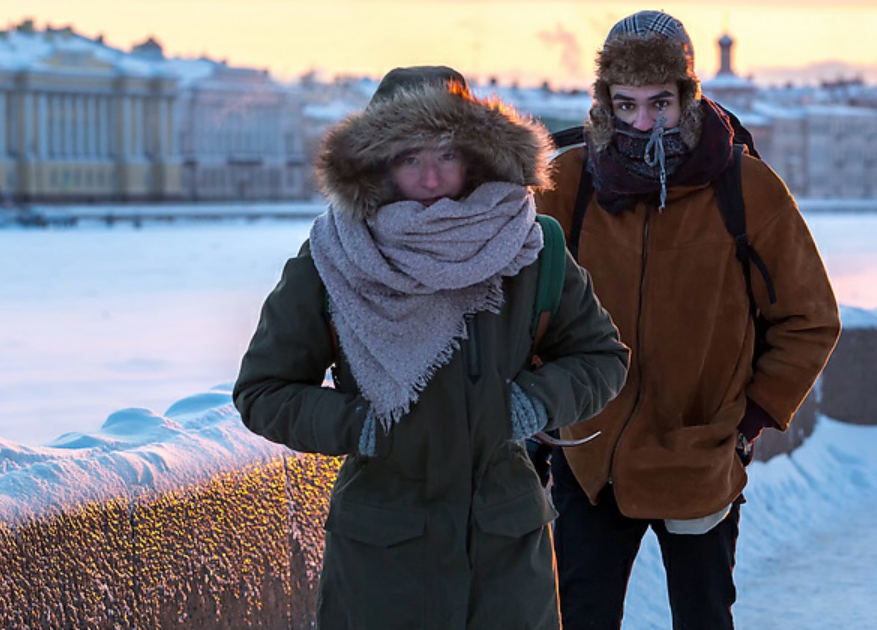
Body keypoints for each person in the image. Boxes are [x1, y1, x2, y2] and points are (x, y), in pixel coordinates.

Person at [233, 66, 630, 629]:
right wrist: (357, 424)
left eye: (445, 154)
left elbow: (602, 358)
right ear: (377, 164)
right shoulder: (333, 258)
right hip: (384, 560)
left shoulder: (528, 248)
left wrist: (535, 402)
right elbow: (262, 391)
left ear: (475, 154)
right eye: (409, 157)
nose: (429, 177)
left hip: (504, 558)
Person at [534, 11, 842, 629]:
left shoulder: (745, 187)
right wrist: (545, 405)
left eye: (660, 104)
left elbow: (810, 319)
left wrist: (748, 423)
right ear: (603, 103)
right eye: (625, 106)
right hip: (592, 458)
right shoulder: (568, 182)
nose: (642, 123)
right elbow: (524, 306)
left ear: (688, 97)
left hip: (699, 455)